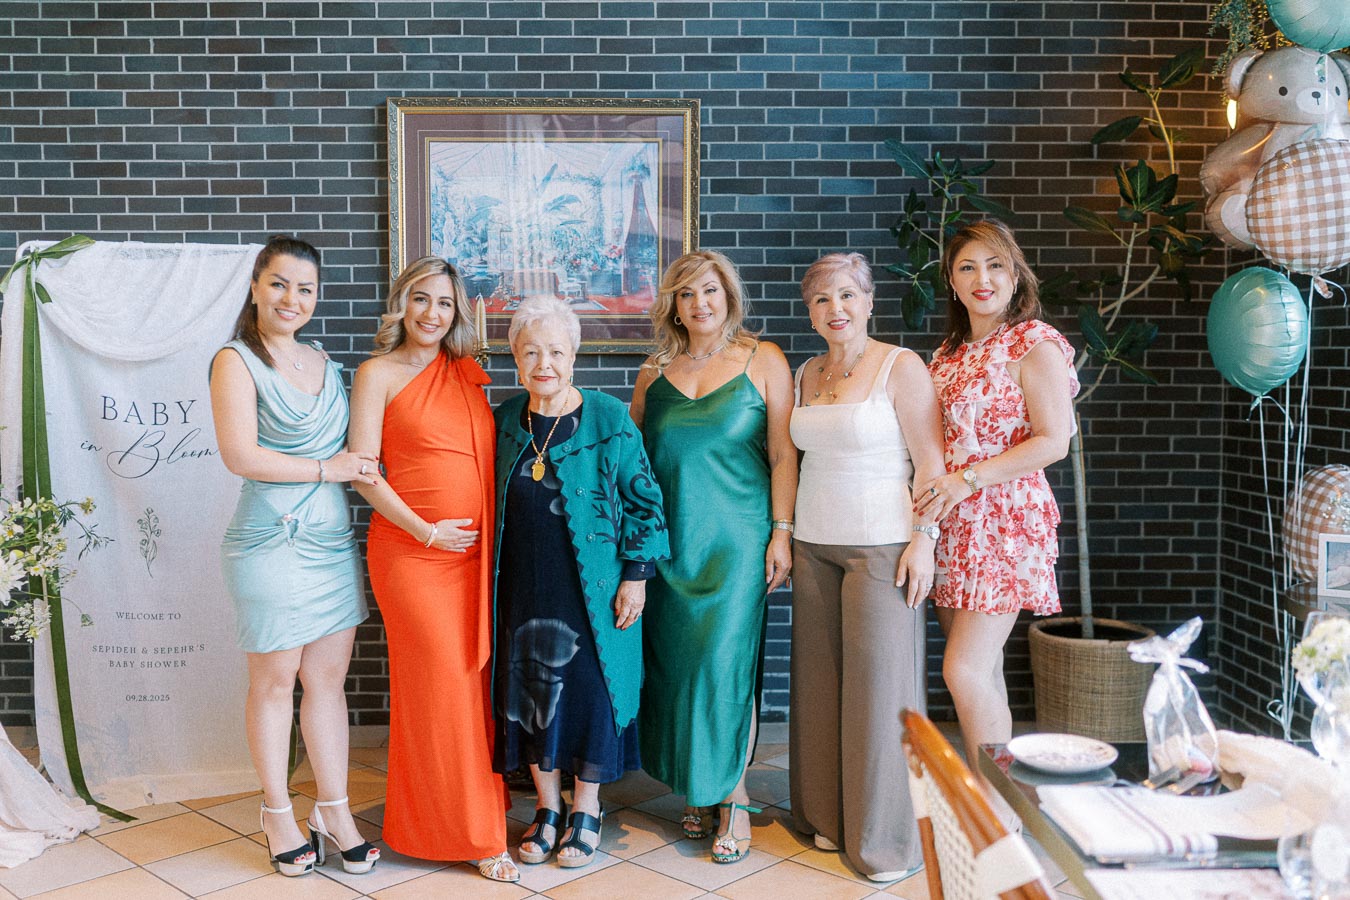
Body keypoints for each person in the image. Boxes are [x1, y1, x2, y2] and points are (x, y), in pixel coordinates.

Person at [211, 235, 381, 878]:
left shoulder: (325, 361)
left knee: (327, 686)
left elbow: (360, 448)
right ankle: (278, 811)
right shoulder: (234, 359)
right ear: (256, 285)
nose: (292, 298)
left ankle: (333, 810)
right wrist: (327, 467)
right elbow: (241, 456)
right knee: (275, 682)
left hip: (332, 545)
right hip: (270, 543)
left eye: (305, 288)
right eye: (280, 283)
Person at [346, 257, 518, 882]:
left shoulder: (466, 372)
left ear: (457, 313)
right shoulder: (377, 373)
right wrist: (424, 529)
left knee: (468, 689)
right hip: (413, 554)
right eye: (420, 299)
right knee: (444, 685)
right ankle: (473, 834)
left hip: (473, 559)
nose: (431, 314)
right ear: (401, 303)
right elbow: (363, 467)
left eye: (444, 304)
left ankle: (456, 811)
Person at [630, 250, 797, 864]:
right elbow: (636, 466)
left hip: (737, 545)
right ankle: (693, 790)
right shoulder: (654, 372)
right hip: (670, 544)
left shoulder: (764, 359)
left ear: (730, 296)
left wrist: (781, 532)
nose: (699, 304)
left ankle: (733, 795)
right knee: (674, 670)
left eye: (710, 292)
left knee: (724, 669)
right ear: (673, 304)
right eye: (686, 294)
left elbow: (783, 455)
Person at [493, 296, 669, 869]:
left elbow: (645, 502)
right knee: (532, 695)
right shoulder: (505, 418)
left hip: (593, 590)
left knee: (590, 693)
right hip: (521, 590)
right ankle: (547, 809)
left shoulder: (607, 417)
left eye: (556, 351)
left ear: (575, 355)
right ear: (515, 356)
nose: (544, 363)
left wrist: (636, 578)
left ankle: (586, 810)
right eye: (531, 351)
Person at [787, 252, 946, 882]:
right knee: (820, 691)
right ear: (810, 312)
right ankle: (827, 819)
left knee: (882, 697)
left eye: (848, 296)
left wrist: (924, 539)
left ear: (870, 301)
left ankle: (885, 844)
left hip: (883, 546)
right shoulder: (805, 372)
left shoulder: (900, 367)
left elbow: (931, 463)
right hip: (814, 546)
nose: (836, 310)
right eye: (822, 300)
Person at [913, 219, 1078, 799]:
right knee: (981, 672)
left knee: (962, 670)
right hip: (951, 525)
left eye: (995, 265)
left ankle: (988, 804)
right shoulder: (948, 354)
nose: (982, 279)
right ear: (952, 283)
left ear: (1015, 276)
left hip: (1004, 519)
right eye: (967, 267)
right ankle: (1007, 805)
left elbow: (1054, 440)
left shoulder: (1034, 342)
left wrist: (968, 479)